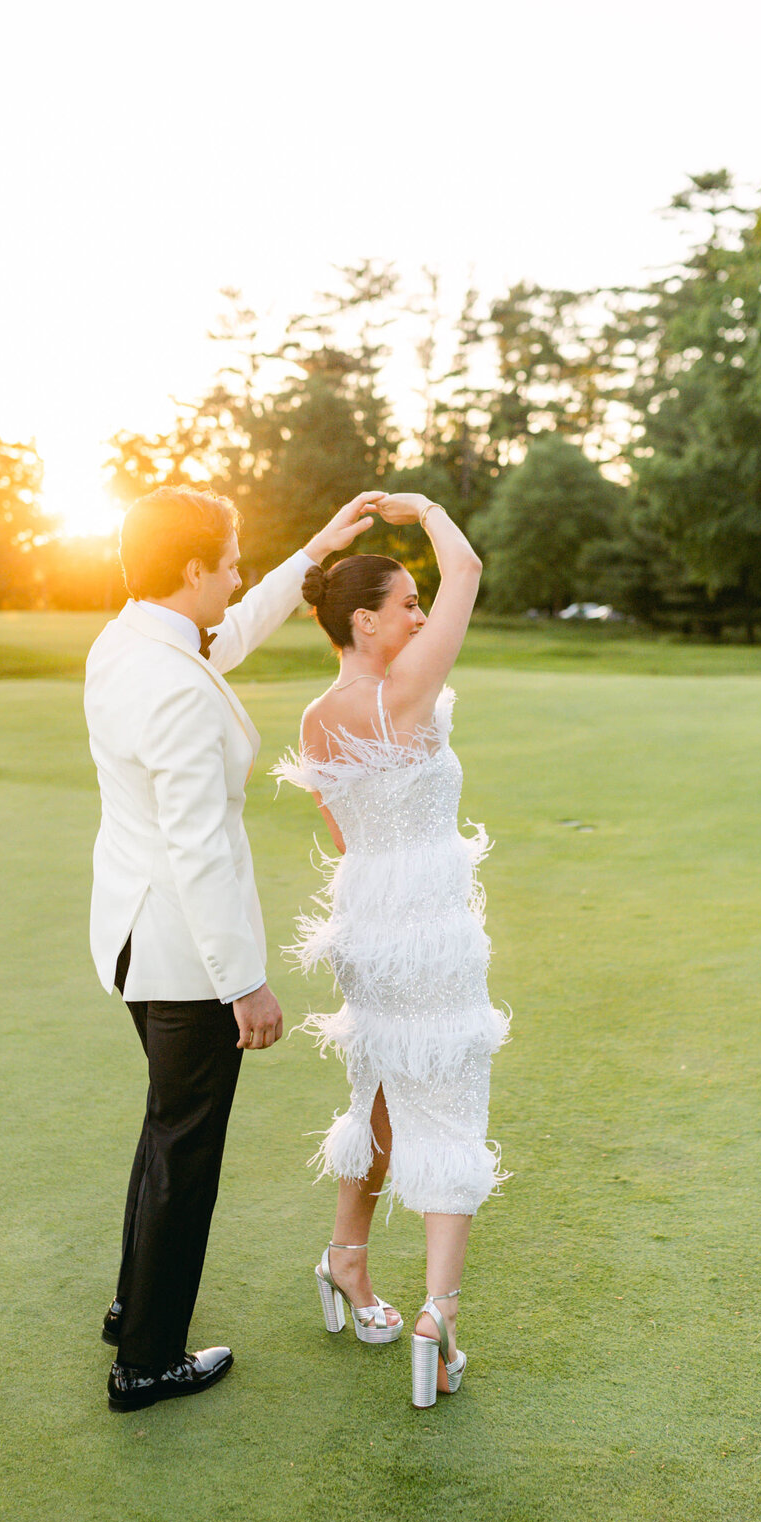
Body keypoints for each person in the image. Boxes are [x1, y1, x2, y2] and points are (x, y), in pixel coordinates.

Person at [85, 484, 384, 1413]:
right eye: (229, 562)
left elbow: (228, 632)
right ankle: (147, 1361)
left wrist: (313, 554)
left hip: (134, 938)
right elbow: (198, 848)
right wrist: (244, 984)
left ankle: (135, 1305)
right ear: (191, 570)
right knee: (186, 1147)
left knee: (164, 1127)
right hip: (183, 955)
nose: (239, 574)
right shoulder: (172, 685)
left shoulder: (130, 639)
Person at [274, 492, 510, 1409]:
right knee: (447, 1101)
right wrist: (424, 508)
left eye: (420, 604)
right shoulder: (402, 691)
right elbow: (470, 570)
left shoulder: (316, 717)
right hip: (429, 919)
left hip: (363, 915)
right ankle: (438, 1316)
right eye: (405, 606)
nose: (421, 616)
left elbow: (341, 832)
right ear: (365, 621)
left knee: (375, 1086)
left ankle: (347, 1259)